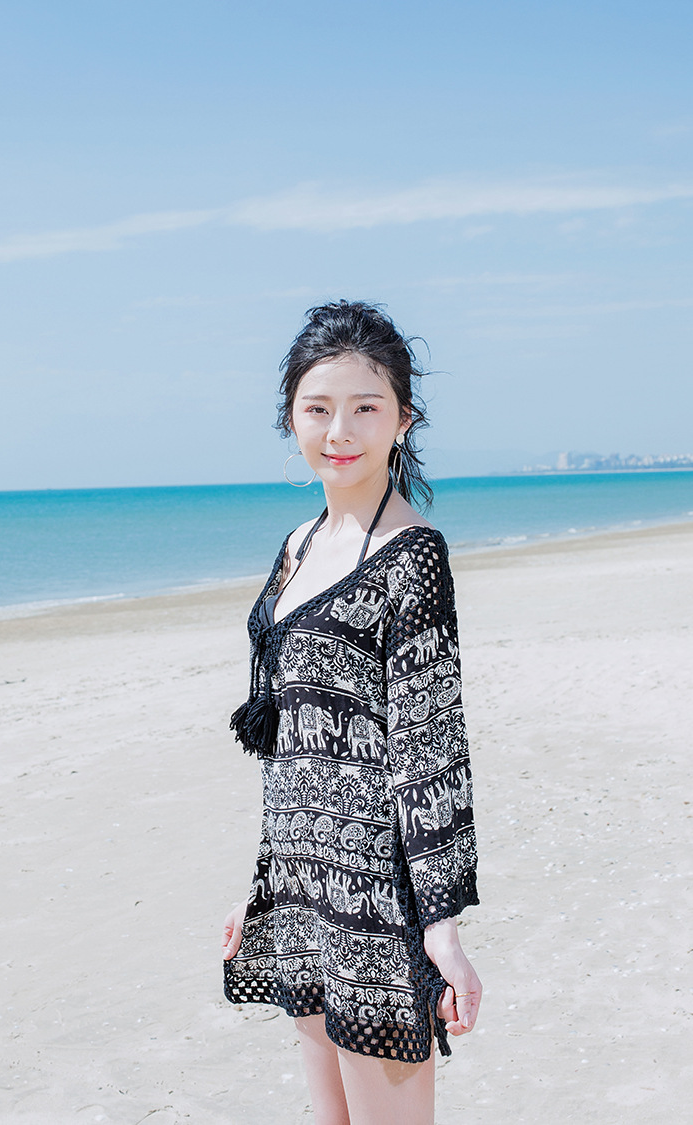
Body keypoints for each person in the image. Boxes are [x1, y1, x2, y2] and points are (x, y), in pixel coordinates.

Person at [221, 300, 481, 1125]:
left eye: (367, 407)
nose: (340, 430)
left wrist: (441, 929)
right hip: (301, 887)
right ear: (291, 418)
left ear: (404, 420)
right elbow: (291, 742)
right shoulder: (297, 545)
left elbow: (430, 745)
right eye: (318, 408)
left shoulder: (413, 555)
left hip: (375, 897)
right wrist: (261, 886)